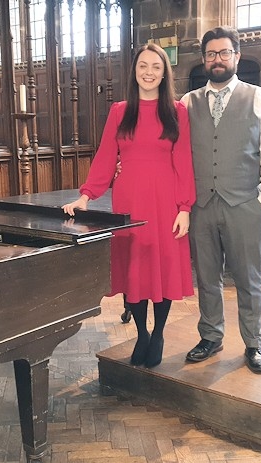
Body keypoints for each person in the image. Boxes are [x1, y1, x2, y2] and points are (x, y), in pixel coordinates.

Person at [63, 43, 195, 368]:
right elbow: (106, 157)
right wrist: (85, 195)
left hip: (165, 203)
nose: (149, 73)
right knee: (134, 270)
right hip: (129, 202)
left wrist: (185, 207)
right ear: (134, 72)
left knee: (161, 269)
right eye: (143, 67)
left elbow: (184, 162)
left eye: (156, 67)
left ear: (164, 74)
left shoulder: (177, 111)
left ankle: (159, 332)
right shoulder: (120, 111)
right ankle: (142, 333)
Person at [181, 26, 261, 373]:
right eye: (211, 54)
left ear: (236, 56)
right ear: (203, 60)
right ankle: (211, 335)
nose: (218, 59)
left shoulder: (258, 97)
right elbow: (174, 153)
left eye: (225, 53)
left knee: (248, 277)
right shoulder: (187, 102)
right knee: (207, 276)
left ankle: (254, 342)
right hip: (202, 206)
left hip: (244, 205)